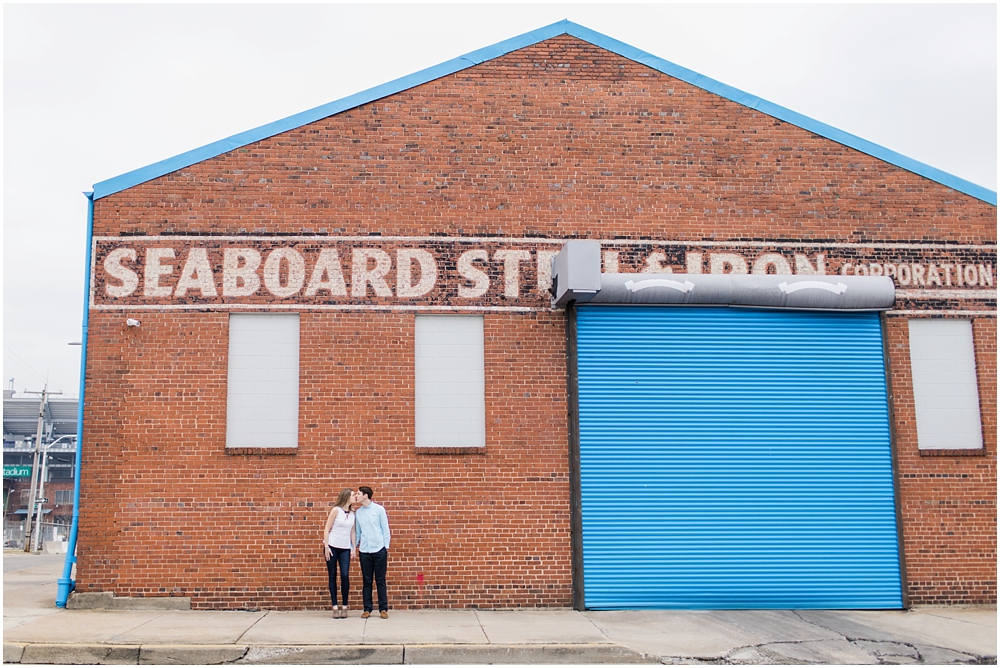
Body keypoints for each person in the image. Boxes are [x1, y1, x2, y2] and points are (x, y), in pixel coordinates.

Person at [354, 485, 390, 619]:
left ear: (365, 495)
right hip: (365, 550)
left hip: (379, 549)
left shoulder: (379, 510)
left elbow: (385, 529)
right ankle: (367, 608)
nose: (356, 496)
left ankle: (383, 609)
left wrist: (385, 547)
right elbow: (358, 532)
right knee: (367, 580)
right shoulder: (358, 513)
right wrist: (354, 548)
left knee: (380, 580)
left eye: (358, 494)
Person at [323, 488, 357, 619]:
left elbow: (353, 532)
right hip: (332, 546)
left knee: (345, 575)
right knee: (332, 575)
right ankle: (335, 606)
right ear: (346, 496)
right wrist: (326, 546)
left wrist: (353, 548)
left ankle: (345, 606)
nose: (355, 497)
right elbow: (326, 528)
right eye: (353, 495)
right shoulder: (336, 510)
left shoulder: (353, 513)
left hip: (345, 547)